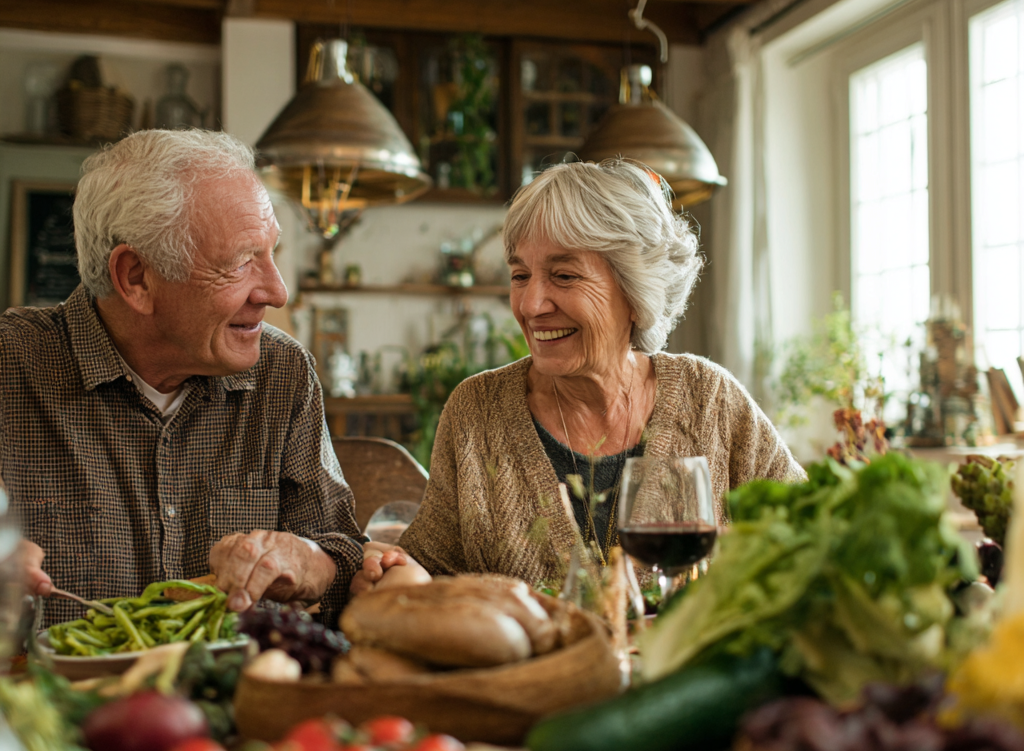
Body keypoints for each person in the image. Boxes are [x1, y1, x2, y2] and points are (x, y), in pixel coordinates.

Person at [356, 158, 803, 592]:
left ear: (635, 292)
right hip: (537, 670)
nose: (531, 305)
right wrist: (391, 569)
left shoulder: (710, 400)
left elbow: (805, 539)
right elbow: (431, 570)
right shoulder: (477, 410)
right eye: (519, 275)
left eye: (564, 276)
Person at [0, 129, 384, 628]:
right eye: (242, 261)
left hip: (237, 694)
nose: (276, 290)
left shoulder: (282, 373)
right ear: (136, 277)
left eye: (272, 253)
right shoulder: (12, 365)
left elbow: (344, 554)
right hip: (53, 702)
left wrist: (308, 560)